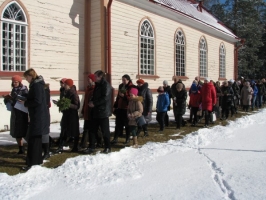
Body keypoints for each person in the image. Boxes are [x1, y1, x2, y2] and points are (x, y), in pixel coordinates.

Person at [22, 69, 49, 171]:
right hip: (37, 116)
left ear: (31, 76)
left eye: (27, 77)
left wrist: (26, 103)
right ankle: (36, 160)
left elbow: (37, 101)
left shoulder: (37, 85)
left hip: (38, 117)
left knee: (33, 140)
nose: (26, 79)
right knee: (35, 140)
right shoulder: (37, 85)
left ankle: (32, 162)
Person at [86, 70, 112, 154]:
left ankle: (107, 147)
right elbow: (95, 96)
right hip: (96, 111)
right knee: (92, 130)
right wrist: (91, 101)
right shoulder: (97, 85)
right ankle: (91, 147)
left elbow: (105, 98)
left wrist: (94, 103)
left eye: (96, 76)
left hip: (103, 111)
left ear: (100, 77)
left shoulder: (106, 85)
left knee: (105, 131)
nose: (94, 77)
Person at [3, 75, 28, 154]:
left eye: (16, 82)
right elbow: (13, 101)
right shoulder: (14, 90)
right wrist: (7, 99)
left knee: (24, 131)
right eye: (13, 82)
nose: (14, 83)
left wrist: (16, 97)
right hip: (15, 113)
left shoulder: (24, 90)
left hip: (22, 113)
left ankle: (30, 147)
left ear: (19, 82)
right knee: (17, 132)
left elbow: (26, 100)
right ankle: (21, 149)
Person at [55, 79, 80, 153]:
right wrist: (59, 104)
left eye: (65, 84)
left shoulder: (73, 93)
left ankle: (75, 147)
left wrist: (68, 105)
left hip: (72, 115)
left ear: (69, 85)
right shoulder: (63, 92)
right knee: (63, 130)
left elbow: (77, 106)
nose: (63, 85)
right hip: (65, 114)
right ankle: (60, 146)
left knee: (74, 131)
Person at [111, 74, 135, 145]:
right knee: (118, 124)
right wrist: (115, 105)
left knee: (127, 124)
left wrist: (124, 96)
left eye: (124, 80)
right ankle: (115, 138)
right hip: (120, 107)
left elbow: (131, 98)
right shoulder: (121, 86)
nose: (123, 81)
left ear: (128, 80)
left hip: (127, 108)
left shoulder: (131, 87)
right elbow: (118, 97)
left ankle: (127, 139)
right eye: (122, 80)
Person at [80, 74, 95, 149]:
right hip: (86, 110)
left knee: (93, 128)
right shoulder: (87, 88)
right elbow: (85, 101)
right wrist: (83, 110)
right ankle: (83, 144)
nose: (87, 80)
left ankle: (100, 141)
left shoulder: (94, 89)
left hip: (92, 111)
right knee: (86, 128)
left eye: (89, 79)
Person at [42, 83, 51, 160]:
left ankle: (46, 152)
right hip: (42, 114)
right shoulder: (44, 91)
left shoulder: (44, 91)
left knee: (45, 133)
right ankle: (45, 150)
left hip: (44, 114)